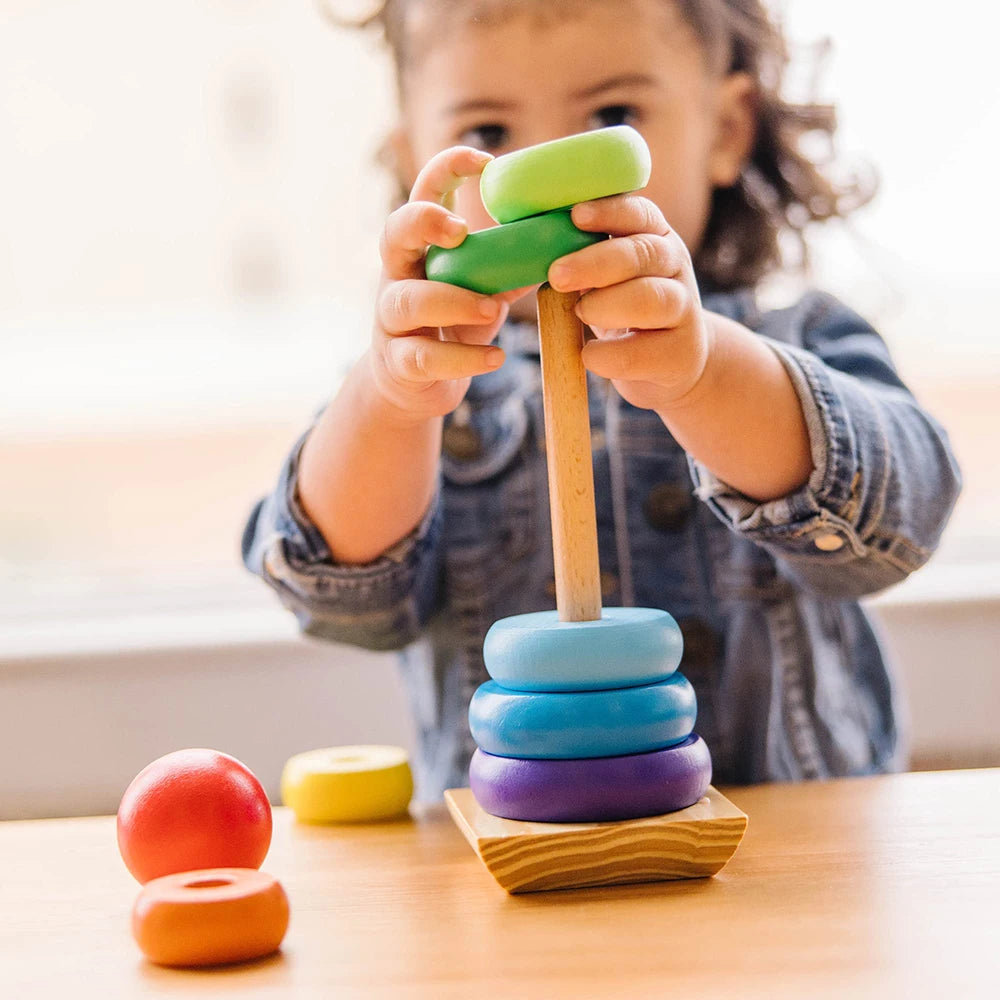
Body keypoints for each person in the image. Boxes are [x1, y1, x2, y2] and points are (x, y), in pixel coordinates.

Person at [242, 0, 961, 801]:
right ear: (414, 156)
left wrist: (706, 374)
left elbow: (905, 515)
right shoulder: (421, 394)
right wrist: (388, 404)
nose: (548, 169)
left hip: (787, 871)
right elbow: (338, 597)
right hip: (523, 871)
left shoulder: (796, 333)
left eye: (613, 113)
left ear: (724, 132)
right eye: (487, 133)